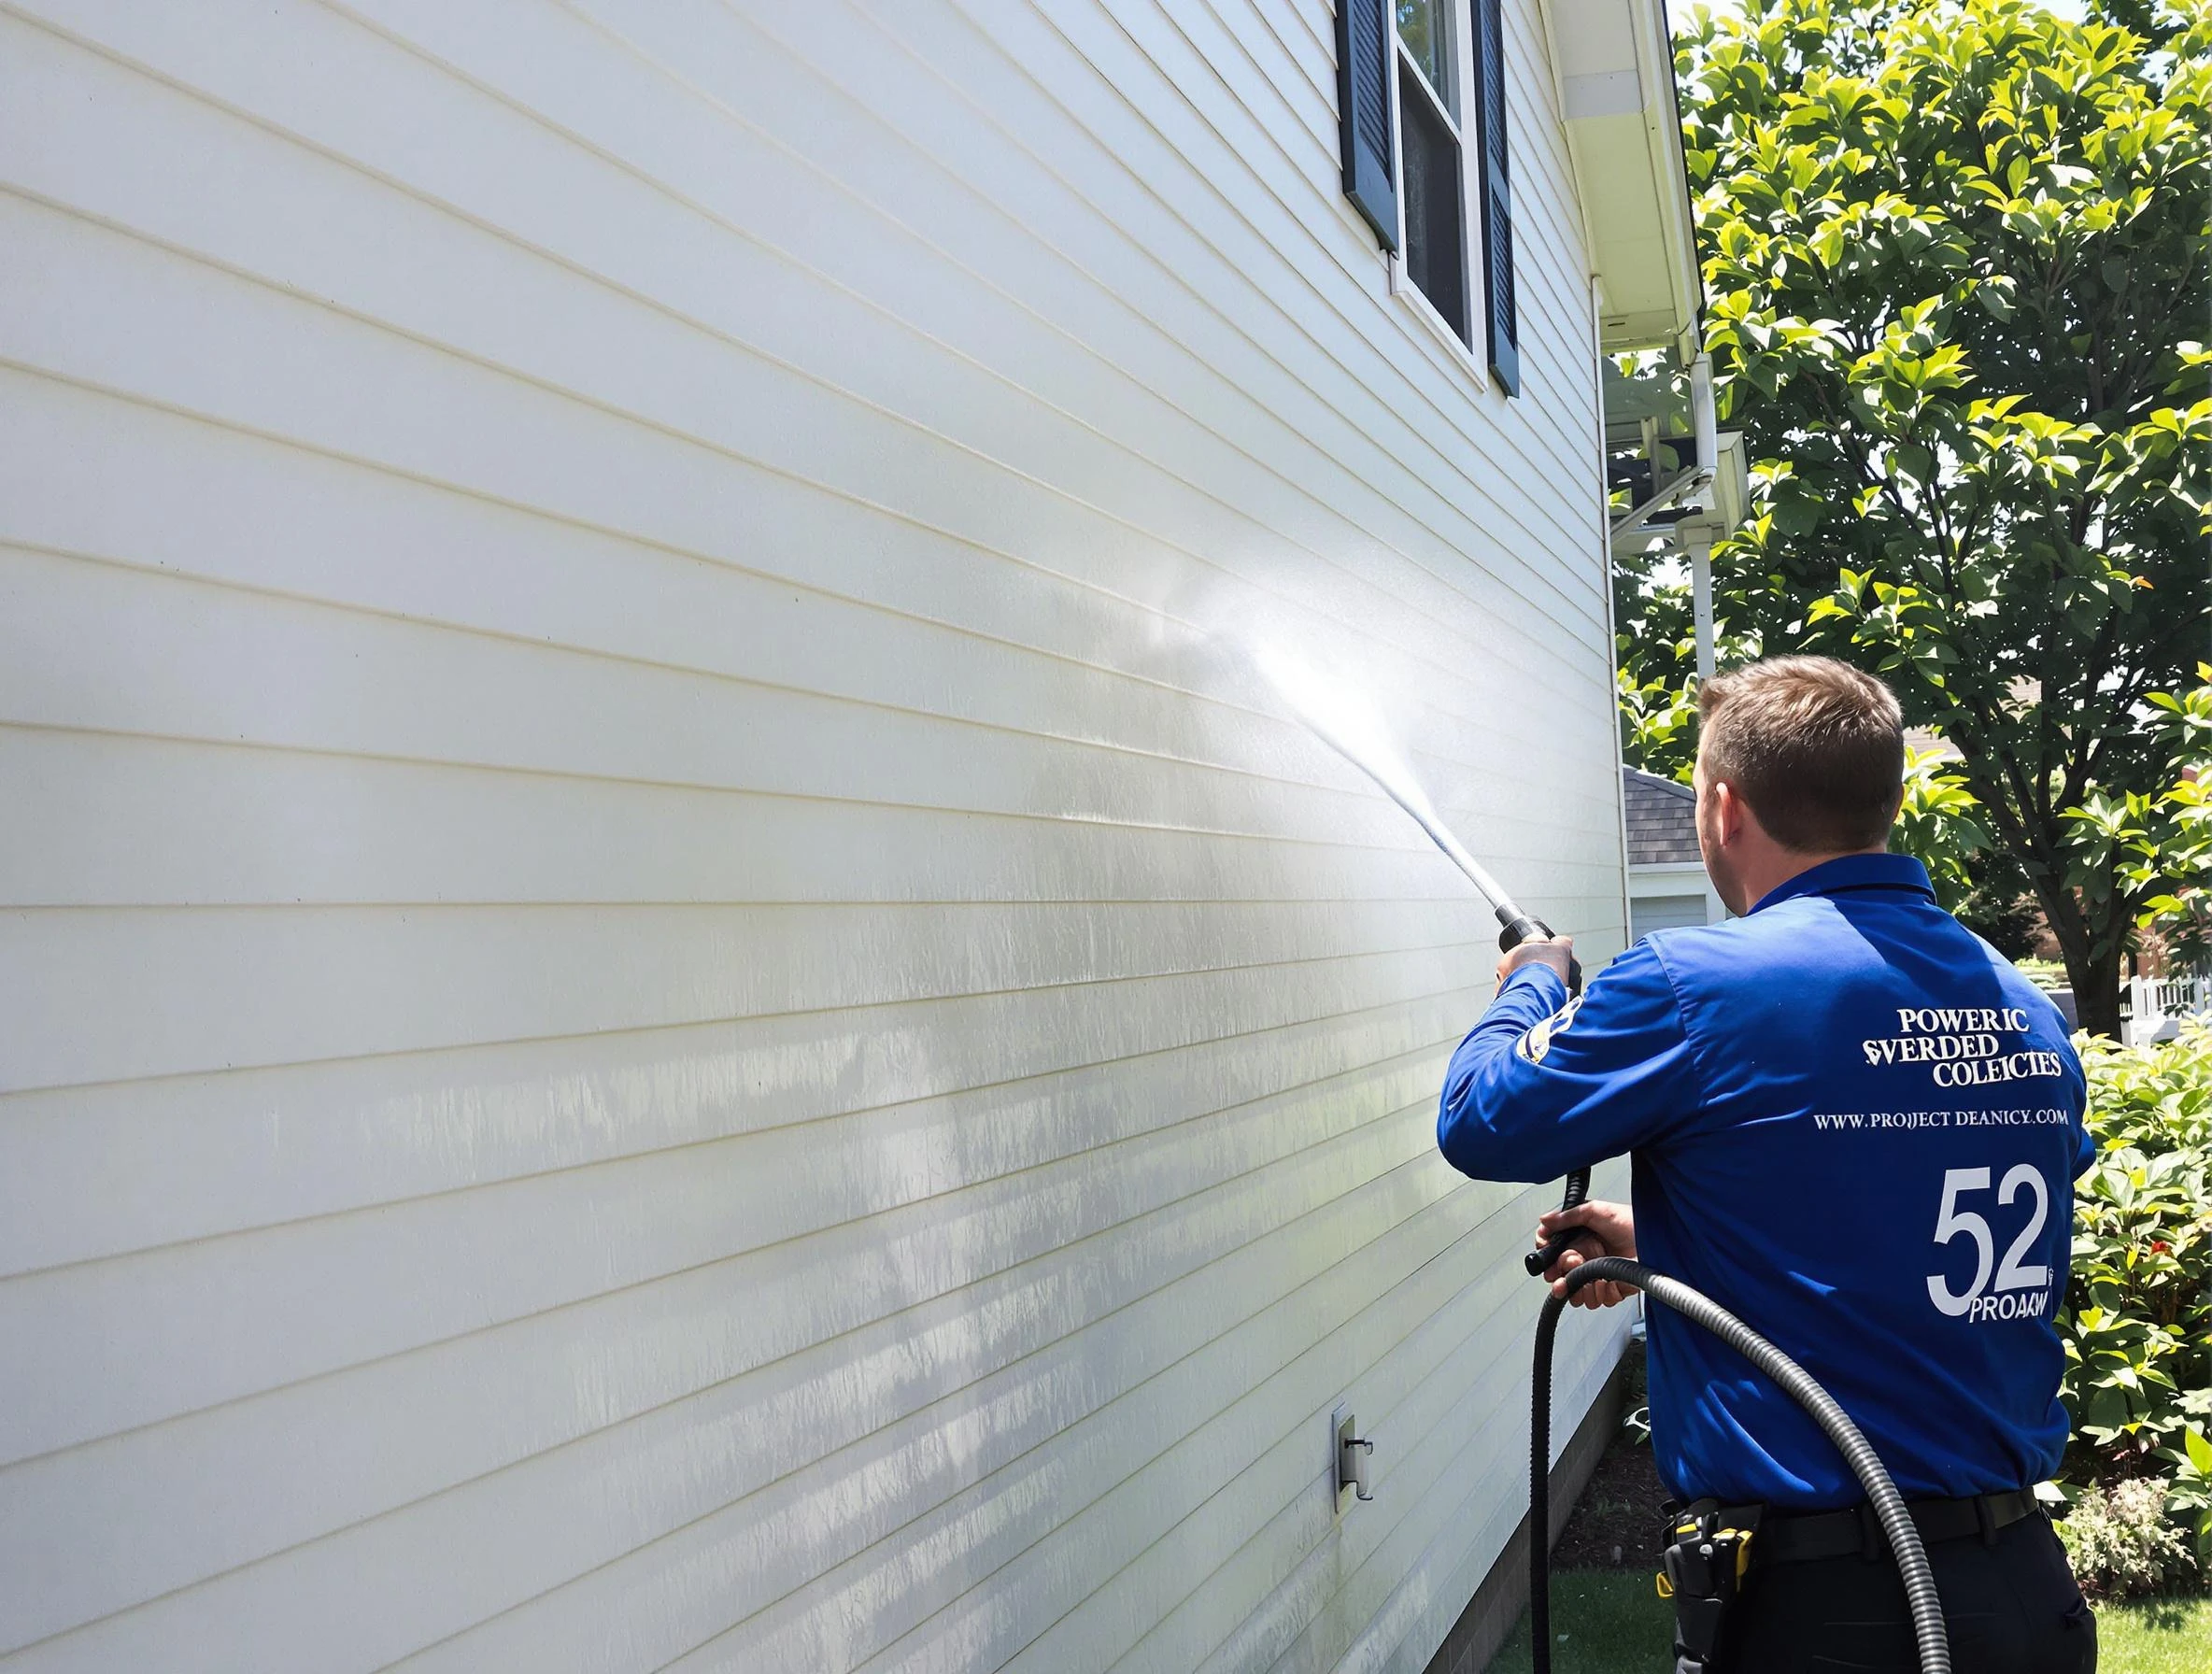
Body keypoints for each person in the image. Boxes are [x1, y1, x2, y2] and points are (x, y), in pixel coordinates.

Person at [1438, 657, 2096, 1673]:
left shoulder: (1691, 986)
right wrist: (1663, 1241)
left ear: (1720, 807)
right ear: (1883, 803)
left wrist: (1531, 987)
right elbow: (1907, 1225)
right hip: (2020, 1596)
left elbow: (1482, 1119)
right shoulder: (2019, 1004)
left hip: (1825, 1615)